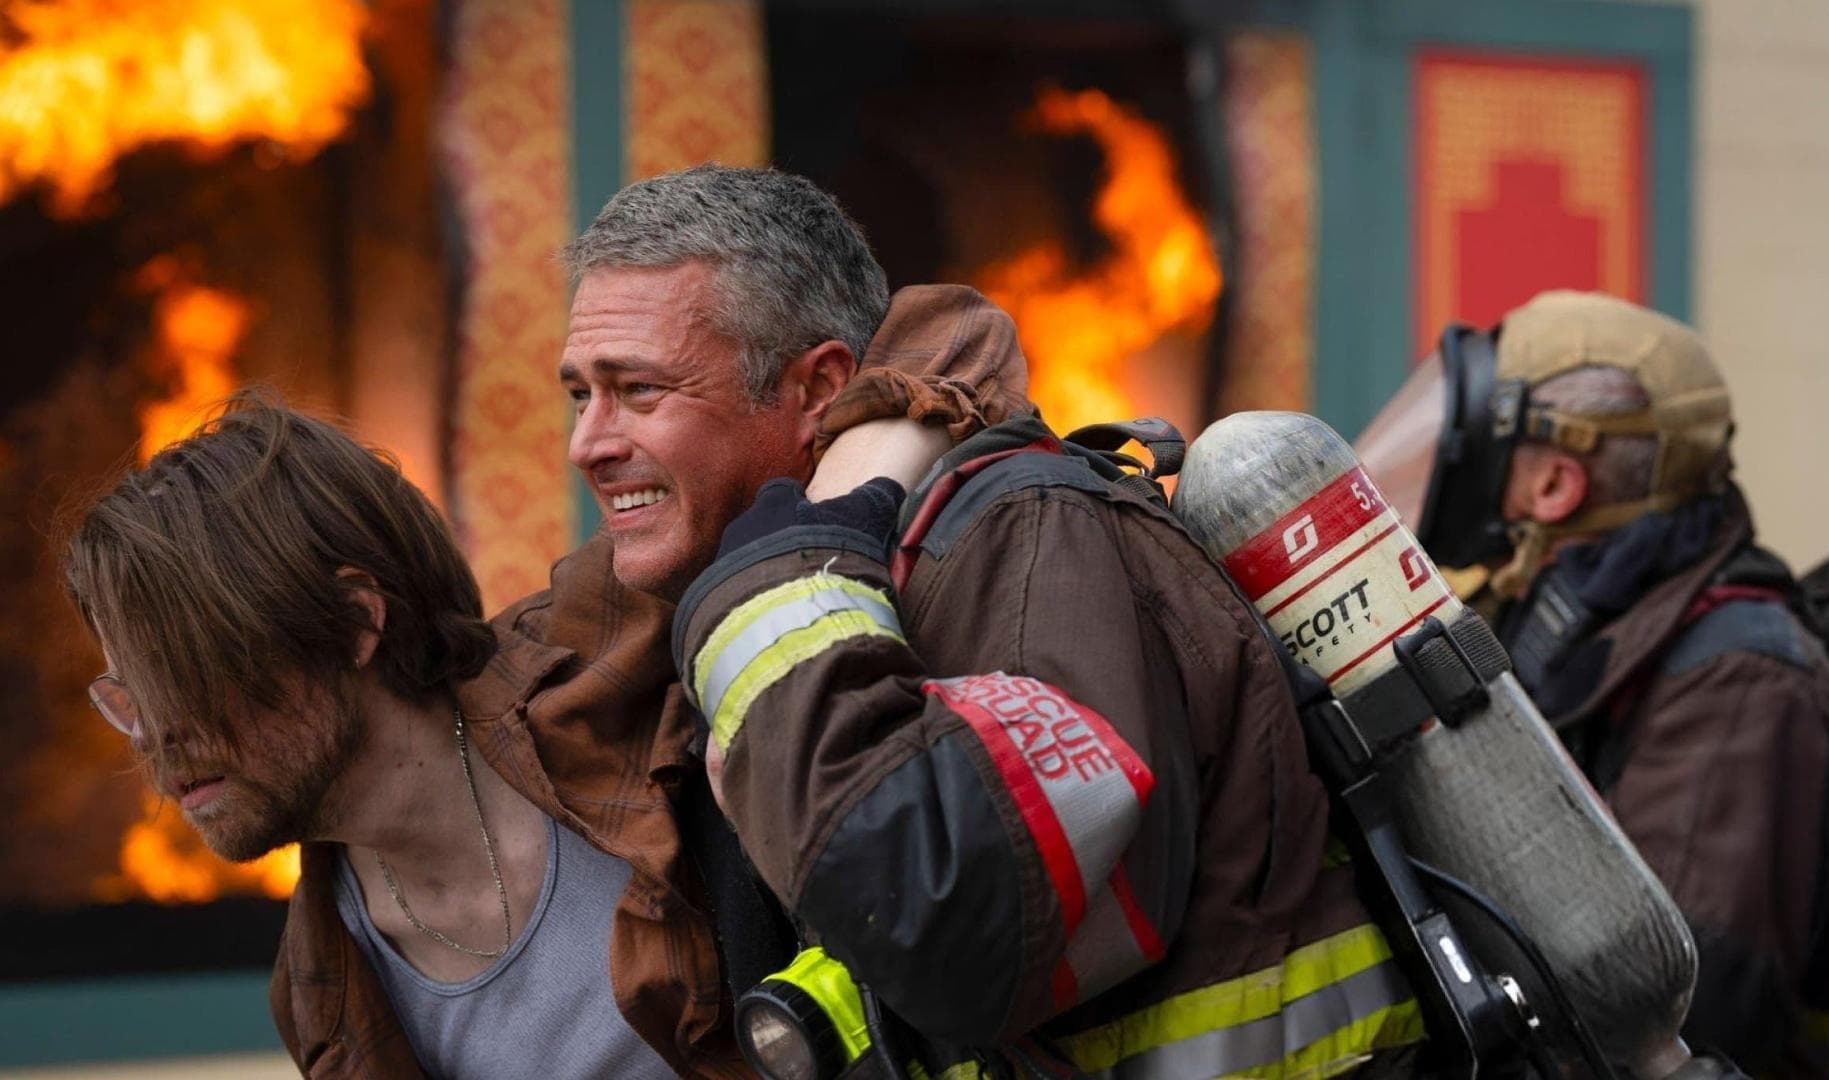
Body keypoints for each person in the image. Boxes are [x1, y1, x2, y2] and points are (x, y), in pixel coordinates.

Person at [64, 190, 1024, 1078]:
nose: (154, 735)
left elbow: (954, 336)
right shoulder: (324, 987)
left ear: (356, 622)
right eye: (124, 697)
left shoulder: (609, 645)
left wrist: (840, 514)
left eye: (179, 674)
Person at [603, 166, 1426, 1077]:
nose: (588, 442)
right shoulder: (721, 599)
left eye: (637, 390)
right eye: (579, 395)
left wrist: (793, 563)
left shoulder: (1022, 536)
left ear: (817, 388)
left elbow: (943, 911)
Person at [1356, 290, 1829, 1077]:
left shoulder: (1740, 690)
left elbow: (1671, 1016)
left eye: (1471, 440)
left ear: (1555, 486)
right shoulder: (1568, 632)